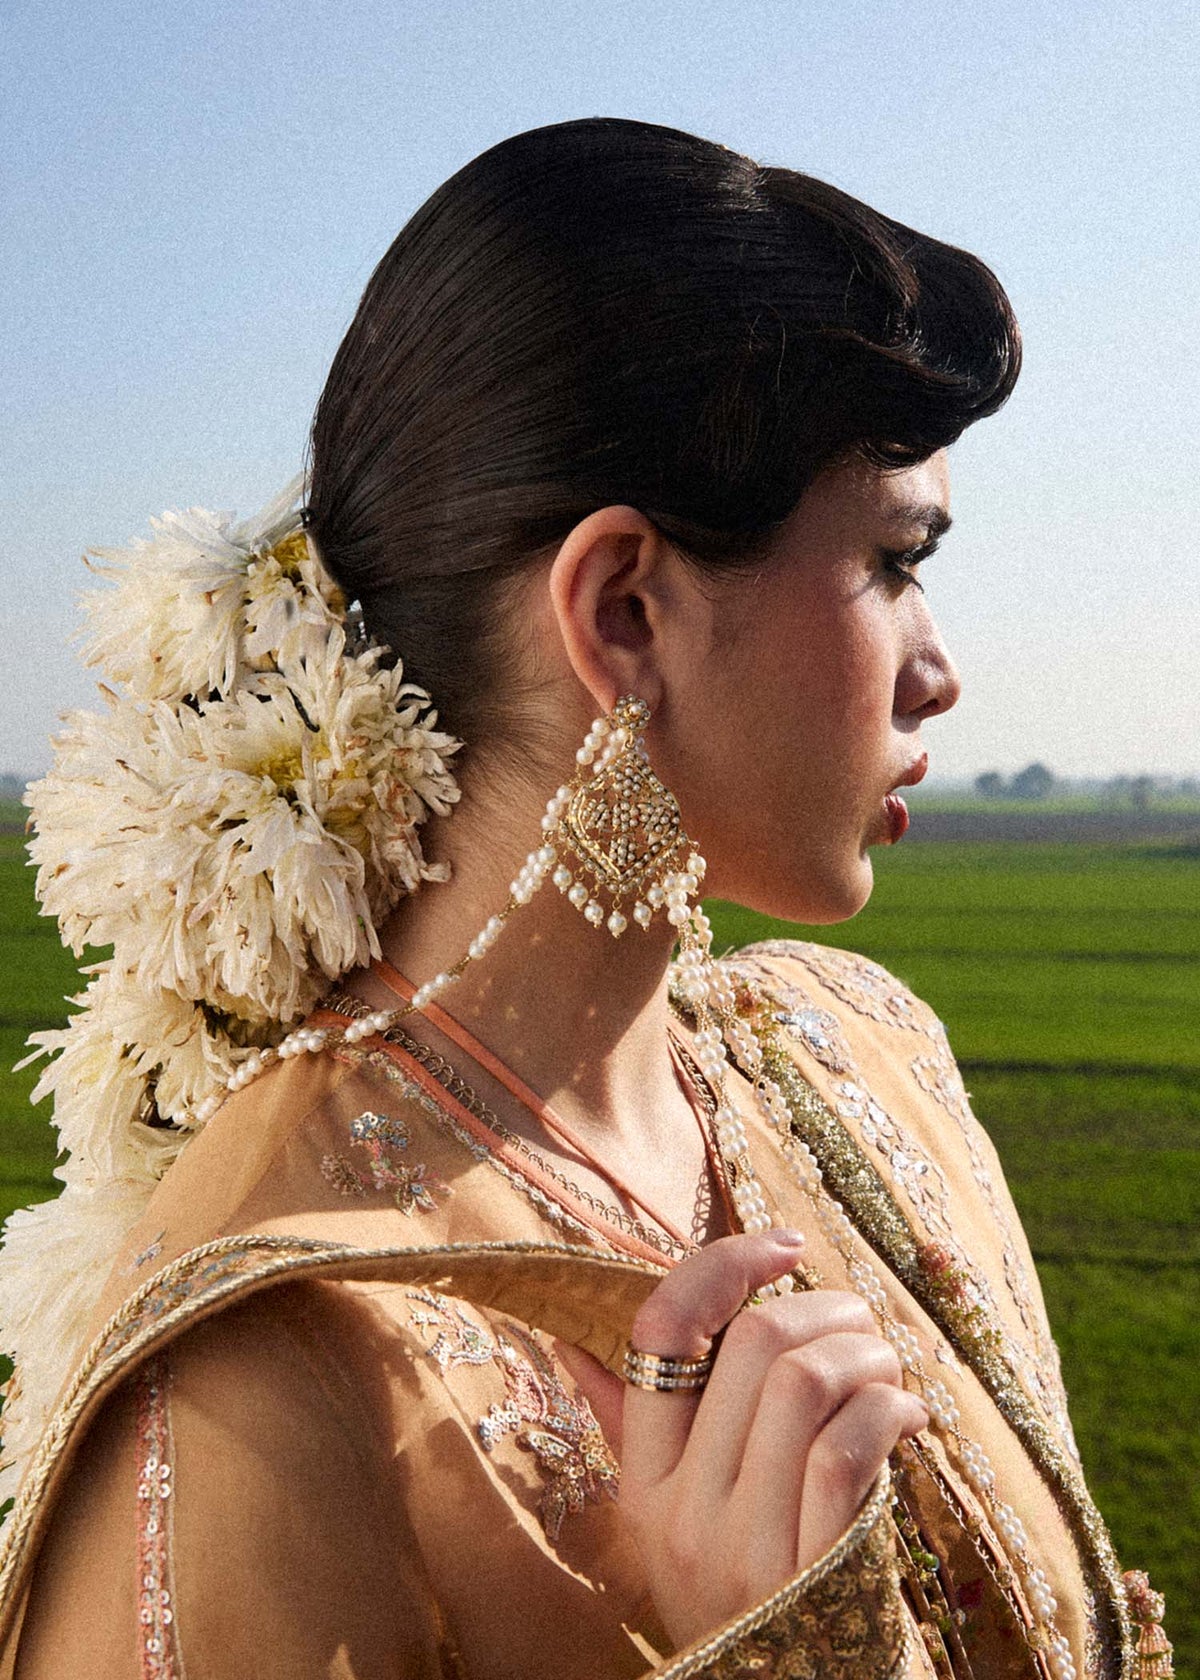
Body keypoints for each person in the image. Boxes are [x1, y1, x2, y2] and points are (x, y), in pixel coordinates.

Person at [0, 118, 1171, 1680]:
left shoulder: (859, 1055)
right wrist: (769, 1651)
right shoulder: (260, 1378)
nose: (939, 668)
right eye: (896, 563)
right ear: (623, 614)